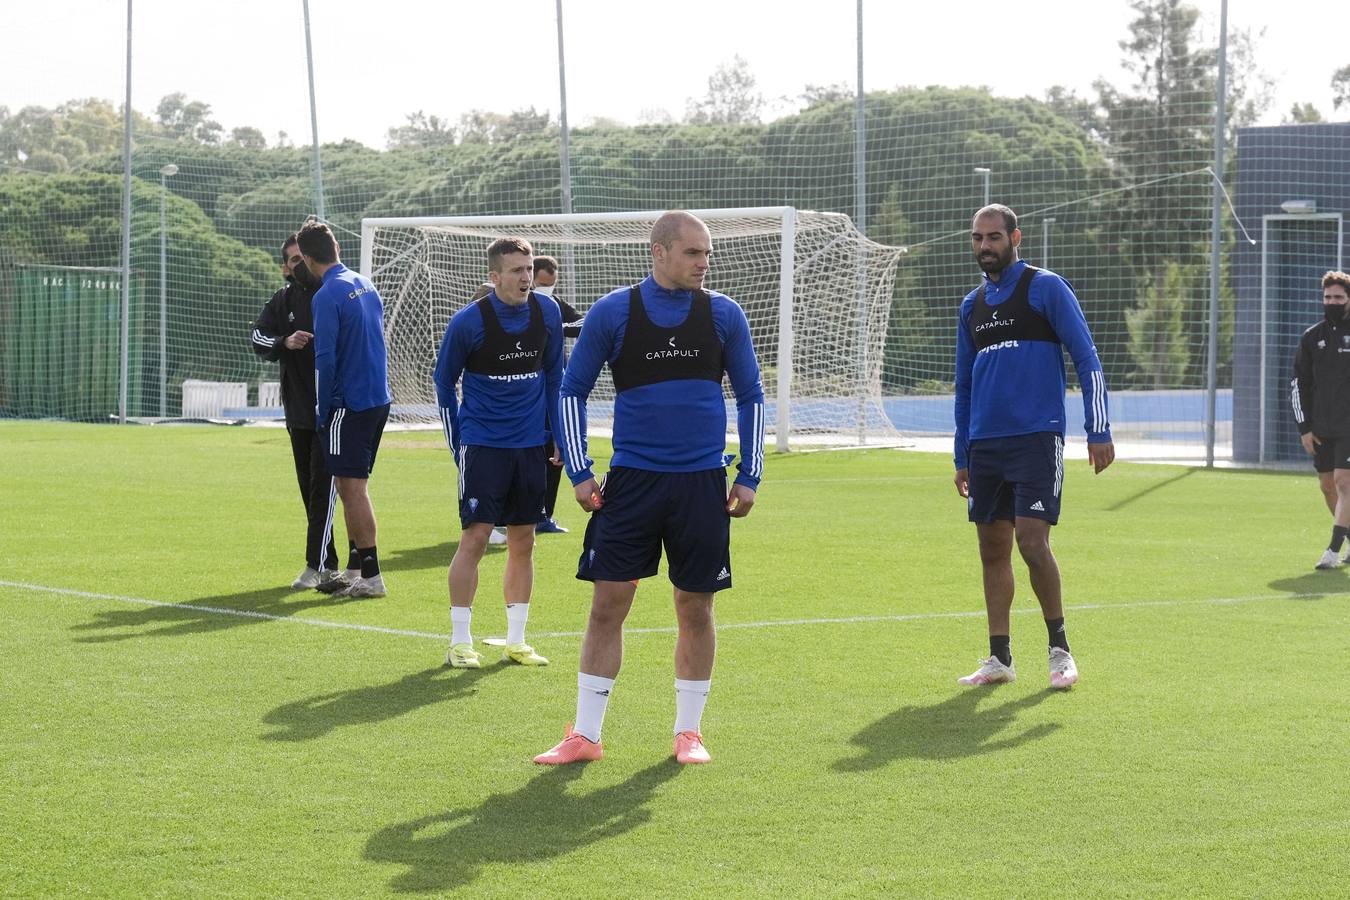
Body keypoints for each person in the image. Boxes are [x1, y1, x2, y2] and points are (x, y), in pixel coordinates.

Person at [533, 210, 765, 766]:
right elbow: (570, 391)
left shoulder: (723, 314)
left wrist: (749, 474)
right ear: (659, 252)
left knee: (695, 605)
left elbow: (752, 395)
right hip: (632, 484)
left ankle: (690, 733)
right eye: (692, 253)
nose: (703, 263)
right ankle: (585, 736)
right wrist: (580, 471)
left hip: (701, 484)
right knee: (609, 604)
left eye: (707, 254)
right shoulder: (614, 312)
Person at [952, 204, 1113, 691]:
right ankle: (999, 658)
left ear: (1015, 238)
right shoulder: (971, 306)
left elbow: (1086, 357)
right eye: (978, 238)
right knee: (991, 547)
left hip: (1037, 438)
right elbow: (963, 387)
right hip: (985, 445)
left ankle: (1059, 650)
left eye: (994, 237)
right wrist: (962, 454)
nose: (985, 246)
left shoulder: (1046, 288)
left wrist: (1098, 428)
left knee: (1031, 542)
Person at [433, 238, 564, 668]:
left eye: (528, 268)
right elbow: (443, 383)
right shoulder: (469, 322)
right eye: (516, 270)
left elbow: (553, 377)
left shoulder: (548, 313)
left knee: (524, 541)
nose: (526, 277)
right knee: (474, 538)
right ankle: (459, 641)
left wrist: (559, 437)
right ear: (495, 277)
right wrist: (459, 442)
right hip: (484, 445)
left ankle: (516, 640)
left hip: (530, 446)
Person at [298, 219, 392, 599]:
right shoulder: (364, 284)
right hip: (376, 398)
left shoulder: (326, 295)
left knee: (351, 489)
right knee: (354, 485)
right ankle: (354, 569)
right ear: (336, 248)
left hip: (348, 405)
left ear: (306, 258)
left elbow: (325, 358)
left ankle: (371, 575)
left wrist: (323, 409)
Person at [249, 234, 341, 590]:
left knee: (328, 489)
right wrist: (283, 342)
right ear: (284, 267)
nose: (298, 265)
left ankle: (321, 565)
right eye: (292, 260)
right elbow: (257, 336)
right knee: (311, 489)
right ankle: (330, 562)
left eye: (303, 258)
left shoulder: (334, 294)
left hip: (335, 410)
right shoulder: (283, 299)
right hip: (299, 411)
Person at [1291, 270, 1350, 570]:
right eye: (1328, 297)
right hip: (1321, 428)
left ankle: (1333, 550)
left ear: (1348, 300)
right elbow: (1298, 384)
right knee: (1327, 486)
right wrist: (1305, 427)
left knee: (1344, 482)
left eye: (1338, 297)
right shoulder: (1311, 337)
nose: (1332, 302)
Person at [532, 254, 585, 535]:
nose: (547, 290)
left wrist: (560, 328)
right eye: (542, 284)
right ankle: (508, 516)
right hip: (527, 393)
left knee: (556, 450)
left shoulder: (555, 306)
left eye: (551, 285)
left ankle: (544, 516)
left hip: (554, 389)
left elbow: (582, 325)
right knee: (526, 453)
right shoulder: (515, 305)